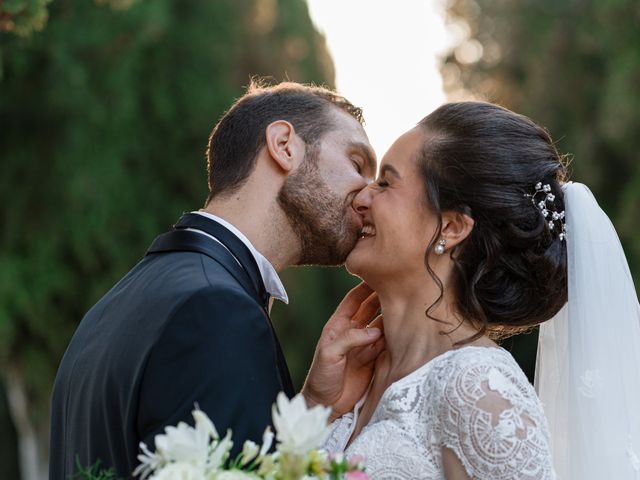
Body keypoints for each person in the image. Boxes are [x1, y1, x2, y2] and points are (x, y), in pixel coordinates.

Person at [49, 81, 386, 479]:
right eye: (357, 164)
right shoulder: (216, 310)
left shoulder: (117, 305)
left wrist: (312, 407)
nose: (368, 196)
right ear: (284, 145)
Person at [325, 101, 569, 478]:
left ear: (451, 227)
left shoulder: (479, 392)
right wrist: (318, 406)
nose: (362, 197)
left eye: (386, 183)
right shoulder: (355, 377)